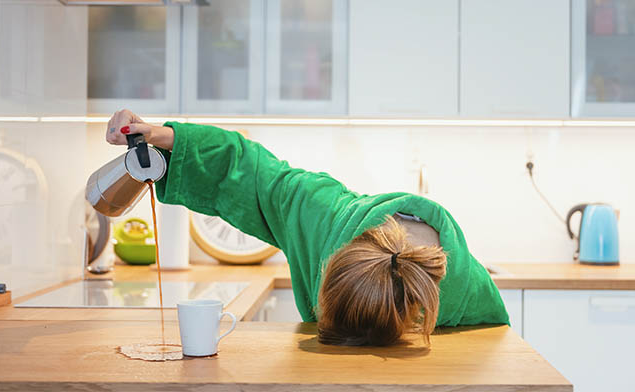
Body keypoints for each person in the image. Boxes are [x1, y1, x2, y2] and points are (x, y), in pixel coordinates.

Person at [106, 109, 509, 347]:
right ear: (329, 261)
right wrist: (167, 137)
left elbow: (491, 355)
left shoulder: (466, 293)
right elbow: (251, 172)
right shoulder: (320, 214)